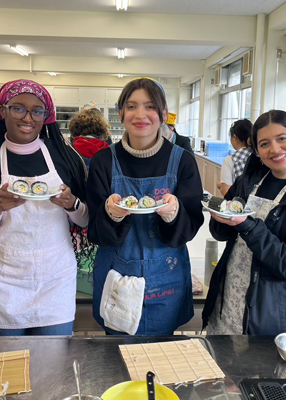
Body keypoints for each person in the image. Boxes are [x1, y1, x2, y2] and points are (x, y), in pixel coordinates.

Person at [0, 79, 88, 337]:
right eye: (18, 108)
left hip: (56, 277)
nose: (28, 118)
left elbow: (86, 220)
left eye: (37, 110)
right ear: (2, 110)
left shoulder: (65, 157)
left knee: (53, 363)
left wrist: (72, 204)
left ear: (46, 116)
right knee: (13, 365)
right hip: (5, 280)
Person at [87, 78, 204, 336]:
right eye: (131, 106)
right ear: (120, 113)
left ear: (163, 114)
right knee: (117, 361)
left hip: (167, 279)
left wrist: (174, 215)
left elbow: (192, 225)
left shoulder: (183, 161)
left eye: (150, 107)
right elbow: (93, 231)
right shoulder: (103, 161)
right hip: (116, 278)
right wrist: (110, 215)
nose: (140, 115)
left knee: (162, 363)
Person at [202, 110, 286, 335]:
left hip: (269, 312)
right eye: (265, 143)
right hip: (228, 297)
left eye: (282, 139)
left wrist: (247, 225)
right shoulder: (251, 179)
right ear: (256, 150)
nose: (274, 149)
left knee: (256, 368)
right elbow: (221, 233)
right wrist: (222, 218)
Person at [219, 119, 253, 196]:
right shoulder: (260, 155)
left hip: (238, 205)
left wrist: (221, 186)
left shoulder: (231, 160)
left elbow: (226, 192)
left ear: (234, 137)